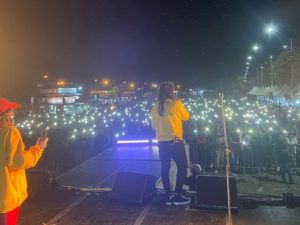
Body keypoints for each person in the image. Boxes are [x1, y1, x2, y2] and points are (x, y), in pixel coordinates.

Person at [0, 98, 48, 225]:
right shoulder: (8, 132)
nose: (12, 115)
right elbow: (18, 162)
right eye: (11, 112)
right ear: (5, 115)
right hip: (4, 197)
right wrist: (39, 147)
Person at [151, 82, 191, 206]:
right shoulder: (176, 104)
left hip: (161, 142)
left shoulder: (155, 106)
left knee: (165, 168)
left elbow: (153, 126)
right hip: (174, 142)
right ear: (172, 92)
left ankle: (168, 195)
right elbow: (186, 117)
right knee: (182, 166)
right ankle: (178, 194)